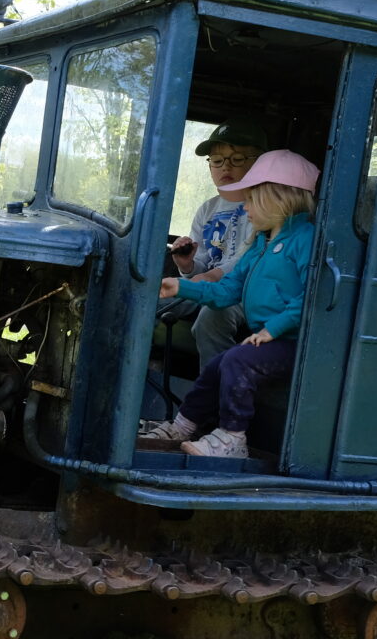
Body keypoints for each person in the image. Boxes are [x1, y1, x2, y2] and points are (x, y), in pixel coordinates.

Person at [137, 149, 320, 458]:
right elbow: (225, 292)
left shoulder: (305, 239)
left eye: (249, 200)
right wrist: (179, 286)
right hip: (271, 337)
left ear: (276, 198)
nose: (245, 208)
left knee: (237, 359)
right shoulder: (261, 245)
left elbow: (310, 298)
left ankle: (233, 437)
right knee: (219, 364)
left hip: (292, 341)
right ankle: (182, 426)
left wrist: (270, 331)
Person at [159, 119, 268, 369]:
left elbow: (250, 257)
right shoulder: (208, 209)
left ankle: (215, 390)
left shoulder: (264, 206)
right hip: (210, 283)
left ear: (258, 163)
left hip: (245, 290)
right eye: (217, 161)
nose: (225, 167)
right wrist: (187, 265)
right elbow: (202, 265)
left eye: (237, 159)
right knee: (149, 302)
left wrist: (211, 276)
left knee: (211, 317)